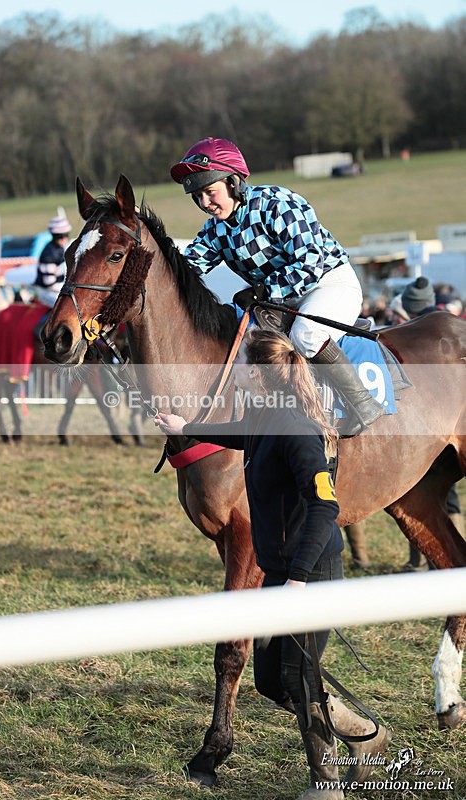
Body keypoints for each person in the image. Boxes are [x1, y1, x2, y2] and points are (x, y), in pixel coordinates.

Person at [155, 327, 389, 799]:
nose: (234, 369)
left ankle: (324, 787)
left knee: (298, 680)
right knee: (271, 682)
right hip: (282, 570)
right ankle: (366, 735)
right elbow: (238, 435)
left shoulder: (298, 429)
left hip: (310, 572)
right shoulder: (265, 417)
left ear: (262, 376)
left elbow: (325, 506)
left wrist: (299, 579)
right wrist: (185, 428)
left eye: (242, 364)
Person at [170, 137, 384, 436]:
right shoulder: (215, 230)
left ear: (233, 182)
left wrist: (263, 291)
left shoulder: (277, 203)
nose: (205, 203)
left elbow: (311, 260)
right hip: (279, 301)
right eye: (197, 196)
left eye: (209, 191)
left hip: (328, 284)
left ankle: (363, 405)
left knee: (307, 335)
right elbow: (186, 268)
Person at [398, 277, 465, 568]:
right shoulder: (429, 322)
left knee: (440, 498)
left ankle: (420, 561)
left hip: (429, 425)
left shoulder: (419, 331)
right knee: (437, 498)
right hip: (432, 424)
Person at [33, 213, 72, 309]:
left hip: (56, 288)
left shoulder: (61, 248)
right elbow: (49, 283)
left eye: (65, 235)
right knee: (65, 307)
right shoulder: (49, 254)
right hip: (46, 292)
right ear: (53, 236)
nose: (63, 238)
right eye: (59, 236)